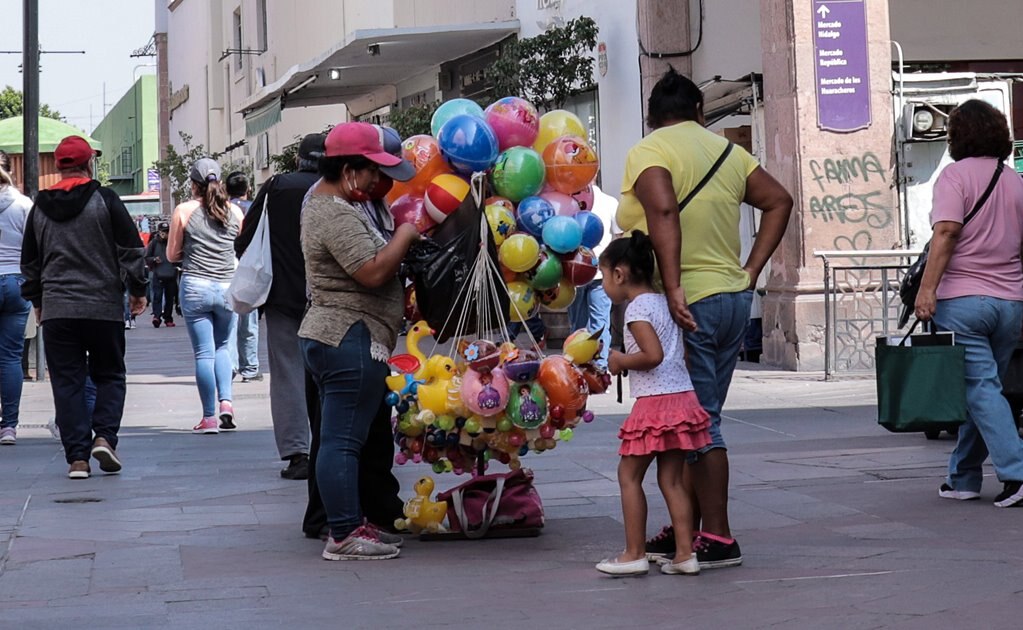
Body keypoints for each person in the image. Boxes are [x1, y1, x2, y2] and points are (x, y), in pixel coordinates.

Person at [618, 68, 792, 568]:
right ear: (699, 112)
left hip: (687, 304)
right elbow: (779, 201)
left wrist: (672, 287)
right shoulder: (729, 153)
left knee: (700, 423)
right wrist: (750, 270)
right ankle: (688, 530)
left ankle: (716, 537)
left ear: (653, 118)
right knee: (695, 418)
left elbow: (664, 211)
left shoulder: (649, 151)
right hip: (731, 298)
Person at [299, 122, 419, 560]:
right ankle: (344, 532)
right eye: (372, 172)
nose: (377, 182)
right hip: (347, 335)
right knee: (342, 441)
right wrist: (405, 235)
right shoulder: (330, 210)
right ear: (349, 169)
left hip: (349, 334)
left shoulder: (340, 207)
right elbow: (370, 271)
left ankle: (353, 520)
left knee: (350, 438)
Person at [914, 99, 1023, 508]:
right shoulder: (1014, 181)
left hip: (961, 301)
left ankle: (1017, 473)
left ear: (959, 136)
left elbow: (945, 233)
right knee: (987, 389)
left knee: (980, 389)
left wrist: (927, 290)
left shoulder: (954, 177)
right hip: (1010, 302)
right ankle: (963, 476)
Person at [20, 135, 148, 478]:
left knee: (67, 382)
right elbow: (132, 250)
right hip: (102, 306)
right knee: (109, 374)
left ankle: (77, 458)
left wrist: (37, 301)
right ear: (89, 163)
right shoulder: (105, 199)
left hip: (58, 308)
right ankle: (104, 436)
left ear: (59, 166)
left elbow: (29, 263)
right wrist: (138, 289)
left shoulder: (39, 207)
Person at [595, 232, 711, 577]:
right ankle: (684, 554)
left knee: (628, 475)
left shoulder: (637, 309)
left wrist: (618, 360)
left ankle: (633, 552)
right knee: (672, 480)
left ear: (620, 274)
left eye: (604, 275)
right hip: (682, 398)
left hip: (656, 404)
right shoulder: (663, 301)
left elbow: (652, 356)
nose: (603, 284)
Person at [236, 134, 324, 480]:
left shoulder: (277, 188)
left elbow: (244, 239)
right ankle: (332, 445)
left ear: (298, 159)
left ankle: (297, 453)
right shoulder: (336, 187)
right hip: (331, 298)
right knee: (331, 372)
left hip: (284, 296)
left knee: (287, 372)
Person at [167, 158, 244, 434]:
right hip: (227, 287)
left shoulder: (183, 211)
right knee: (223, 346)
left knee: (204, 353)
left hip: (195, 286)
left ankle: (209, 418)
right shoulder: (235, 212)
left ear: (193, 185)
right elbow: (241, 247)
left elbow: (172, 254)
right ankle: (227, 404)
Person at [0, 151, 33, 445]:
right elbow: (34, 249)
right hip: (16, 282)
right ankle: (8, 426)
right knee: (10, 356)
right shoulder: (24, 205)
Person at [568, 184, 618, 368]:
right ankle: (600, 367)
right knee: (601, 322)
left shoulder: (570, 203)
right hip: (600, 272)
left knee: (577, 324)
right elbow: (618, 236)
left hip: (575, 272)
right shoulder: (610, 202)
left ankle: (578, 365)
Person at [226, 171, 261, 383]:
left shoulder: (221, 209)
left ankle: (230, 366)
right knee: (249, 321)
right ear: (247, 189)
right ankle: (250, 367)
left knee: (230, 321)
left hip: (226, 268)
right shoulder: (254, 209)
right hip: (249, 269)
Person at [145, 221, 178, 327]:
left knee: (169, 298)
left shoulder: (173, 242)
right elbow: (146, 257)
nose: (166, 234)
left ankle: (168, 318)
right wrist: (154, 259)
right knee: (157, 296)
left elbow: (179, 255)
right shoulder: (154, 242)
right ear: (159, 232)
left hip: (171, 273)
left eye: (167, 231)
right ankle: (157, 316)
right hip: (158, 273)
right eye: (163, 231)